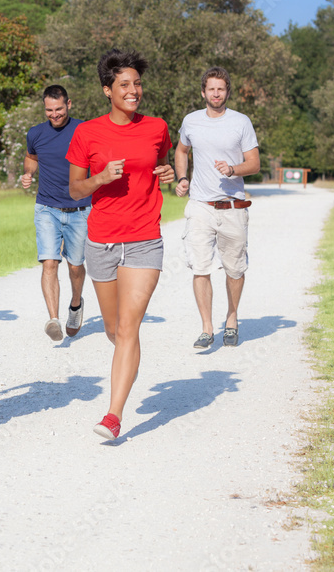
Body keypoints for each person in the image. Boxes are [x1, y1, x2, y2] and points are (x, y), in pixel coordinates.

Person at [67, 48, 176, 441]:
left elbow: (160, 162)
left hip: (145, 238)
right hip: (102, 240)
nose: (134, 91)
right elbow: (75, 187)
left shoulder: (157, 127)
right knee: (114, 328)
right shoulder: (87, 133)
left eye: (138, 84)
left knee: (129, 327)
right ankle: (126, 363)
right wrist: (99, 179)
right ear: (106, 90)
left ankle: (113, 416)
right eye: (125, 85)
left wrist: (168, 172)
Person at [174, 66, 260, 349]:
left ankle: (232, 319)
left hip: (233, 207)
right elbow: (181, 151)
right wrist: (183, 178)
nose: (215, 93)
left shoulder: (241, 122)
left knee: (234, 269)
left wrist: (233, 169)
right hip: (200, 205)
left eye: (220, 89)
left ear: (227, 93)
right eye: (211, 88)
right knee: (200, 267)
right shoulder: (191, 121)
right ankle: (207, 328)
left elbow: (254, 163)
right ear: (203, 92)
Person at [21, 85, 91, 341]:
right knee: (49, 262)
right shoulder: (36, 133)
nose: (54, 115)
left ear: (69, 104)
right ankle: (53, 319)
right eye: (49, 110)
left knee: (75, 266)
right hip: (47, 208)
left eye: (59, 109)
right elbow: (32, 157)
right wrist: (29, 173)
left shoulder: (85, 130)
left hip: (80, 209)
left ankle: (75, 304)